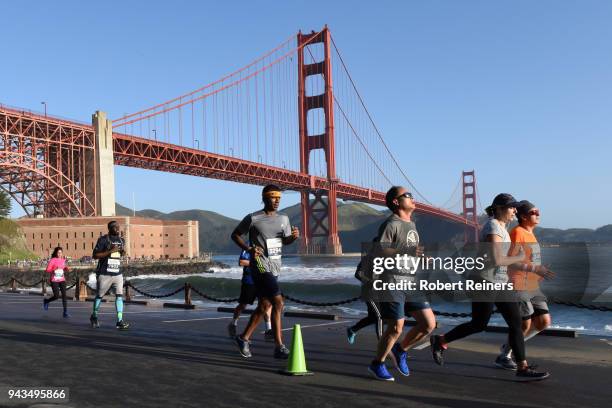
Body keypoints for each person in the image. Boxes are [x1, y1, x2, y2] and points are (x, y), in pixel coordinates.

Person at [430, 193, 550, 380]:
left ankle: (522, 368)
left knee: (516, 324)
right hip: (484, 282)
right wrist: (519, 257)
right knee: (478, 324)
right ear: (500, 209)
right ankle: (440, 340)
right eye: (511, 208)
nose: (514, 211)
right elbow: (497, 259)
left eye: (515, 208)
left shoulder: (502, 227)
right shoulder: (492, 226)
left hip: (500, 283)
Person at [367, 186, 437, 381]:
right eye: (408, 196)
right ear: (397, 202)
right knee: (396, 327)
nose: (413, 198)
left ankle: (400, 349)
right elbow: (381, 250)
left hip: (410, 281)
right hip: (392, 281)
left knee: (428, 324)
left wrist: (420, 258)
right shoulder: (391, 224)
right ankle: (377, 364)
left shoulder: (411, 224)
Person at [231, 184, 299, 359]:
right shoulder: (253, 218)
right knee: (278, 302)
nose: (276, 201)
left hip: (275, 265)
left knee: (264, 306)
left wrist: (292, 237)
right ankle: (279, 345)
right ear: (264, 198)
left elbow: (284, 241)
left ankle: (243, 338)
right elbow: (235, 235)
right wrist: (249, 249)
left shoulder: (284, 219)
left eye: (279, 198)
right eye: (273, 197)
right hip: (259, 265)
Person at [496, 200, 554, 369]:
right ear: (522, 216)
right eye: (533, 212)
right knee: (524, 324)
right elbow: (510, 262)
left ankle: (509, 348)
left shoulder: (531, 234)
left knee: (543, 322)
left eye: (538, 211)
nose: (538, 214)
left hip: (532, 285)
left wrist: (539, 273)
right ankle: (505, 354)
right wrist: (535, 269)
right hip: (518, 283)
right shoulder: (517, 233)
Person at [90, 221, 130, 330]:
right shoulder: (103, 239)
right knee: (99, 296)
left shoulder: (122, 240)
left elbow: (120, 254)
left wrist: (122, 252)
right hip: (104, 273)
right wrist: (110, 251)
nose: (118, 228)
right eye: (115, 227)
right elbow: (95, 255)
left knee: (119, 295)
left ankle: (119, 321)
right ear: (110, 228)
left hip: (117, 273)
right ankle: (94, 316)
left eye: (118, 227)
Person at [228, 247, 273, 340]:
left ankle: (269, 329)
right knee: (243, 305)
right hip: (249, 280)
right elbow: (241, 262)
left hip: (263, 280)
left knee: (266, 304)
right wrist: (256, 263)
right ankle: (233, 323)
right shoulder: (248, 246)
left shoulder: (264, 245)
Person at [347, 258, 383, 344]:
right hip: (370, 293)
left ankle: (353, 330)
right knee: (379, 316)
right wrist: (370, 282)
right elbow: (358, 274)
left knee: (373, 317)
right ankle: (383, 344)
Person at [43, 246, 70, 318]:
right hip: (54, 280)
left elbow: (64, 267)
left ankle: (65, 312)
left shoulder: (63, 260)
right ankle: (46, 301)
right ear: (56, 253)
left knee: (64, 295)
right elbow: (47, 270)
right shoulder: (53, 260)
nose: (59, 254)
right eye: (58, 253)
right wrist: (54, 269)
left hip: (62, 279)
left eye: (61, 253)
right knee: (56, 296)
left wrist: (66, 268)